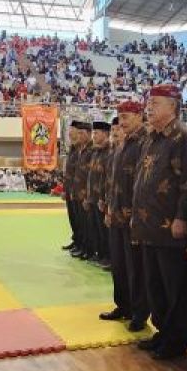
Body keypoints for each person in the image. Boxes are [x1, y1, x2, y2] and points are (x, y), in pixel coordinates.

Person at [131, 84, 187, 359]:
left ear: (172, 106)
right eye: (149, 103)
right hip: (149, 226)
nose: (149, 107)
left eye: (156, 103)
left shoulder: (183, 139)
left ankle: (177, 340)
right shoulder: (151, 138)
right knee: (155, 285)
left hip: (170, 227)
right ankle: (162, 331)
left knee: (176, 288)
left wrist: (183, 217)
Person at [101, 101, 150, 331]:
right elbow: (114, 181)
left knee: (136, 268)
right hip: (118, 213)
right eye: (120, 116)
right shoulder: (122, 144)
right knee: (119, 265)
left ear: (140, 116)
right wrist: (110, 208)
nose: (122, 120)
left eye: (127, 116)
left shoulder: (145, 141)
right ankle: (123, 305)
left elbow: (143, 184)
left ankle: (139, 313)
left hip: (134, 216)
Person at [85, 121, 113, 267]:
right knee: (96, 229)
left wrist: (104, 198)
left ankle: (108, 257)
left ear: (106, 134)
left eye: (97, 133)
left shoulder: (109, 151)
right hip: (94, 197)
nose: (94, 136)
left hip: (103, 198)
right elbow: (91, 176)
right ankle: (101, 254)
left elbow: (107, 178)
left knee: (105, 231)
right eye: (93, 133)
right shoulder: (96, 151)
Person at [62, 121, 91, 255]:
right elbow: (70, 172)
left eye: (75, 131)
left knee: (84, 222)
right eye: (72, 131)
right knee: (74, 219)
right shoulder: (74, 149)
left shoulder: (87, 150)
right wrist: (65, 189)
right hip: (72, 190)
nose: (71, 134)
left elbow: (87, 174)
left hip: (82, 192)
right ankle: (77, 241)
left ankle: (85, 246)